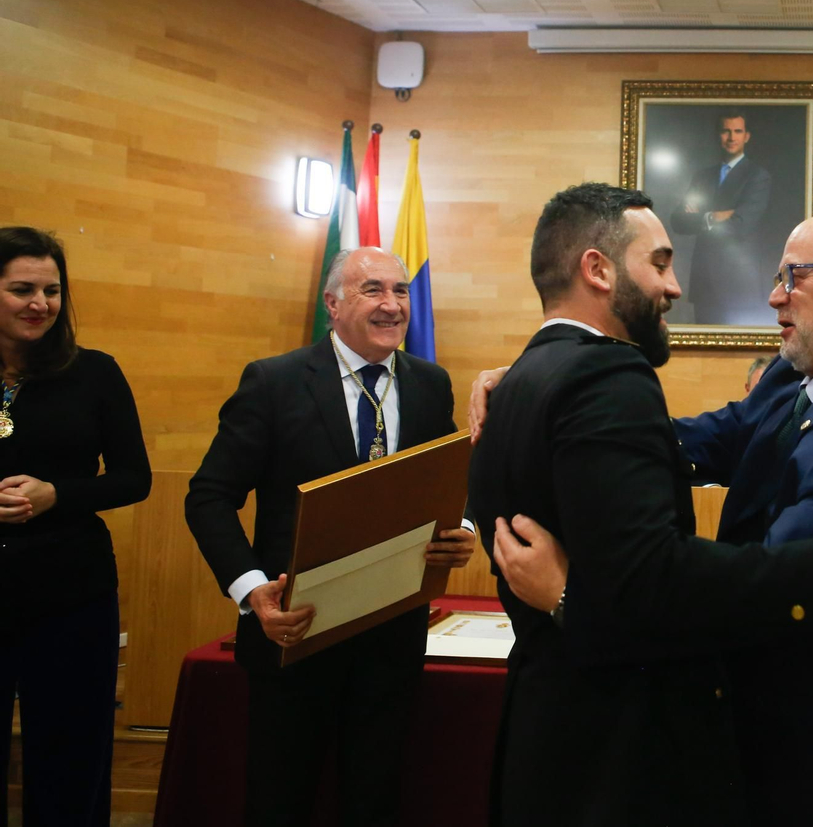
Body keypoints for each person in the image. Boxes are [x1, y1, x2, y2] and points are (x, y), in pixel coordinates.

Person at [471, 212, 813, 826]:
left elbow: (767, 586)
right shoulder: (797, 376)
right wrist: (556, 395)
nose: (775, 296)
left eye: (794, 276)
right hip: (790, 740)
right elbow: (712, 436)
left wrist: (571, 598)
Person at [185, 247, 474, 827]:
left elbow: (446, 481)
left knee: (373, 801)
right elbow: (209, 497)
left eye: (400, 290)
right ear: (333, 304)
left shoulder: (429, 383)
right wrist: (252, 590)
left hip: (391, 641)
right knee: (280, 803)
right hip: (295, 633)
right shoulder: (273, 382)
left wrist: (462, 528)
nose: (392, 305)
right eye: (373, 290)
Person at [0, 226, 151, 827]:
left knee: (70, 762)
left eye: (52, 290)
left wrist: (56, 494)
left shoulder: (95, 373)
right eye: (22, 289)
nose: (40, 303)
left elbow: (134, 478)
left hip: (72, 593)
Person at [670, 112, 772, 325]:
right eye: (726, 131)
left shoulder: (757, 176)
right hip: (704, 281)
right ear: (718, 135)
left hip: (739, 282)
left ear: (747, 136)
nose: (731, 137)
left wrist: (699, 217)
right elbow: (678, 221)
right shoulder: (703, 176)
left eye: (737, 131)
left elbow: (741, 224)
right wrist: (712, 216)